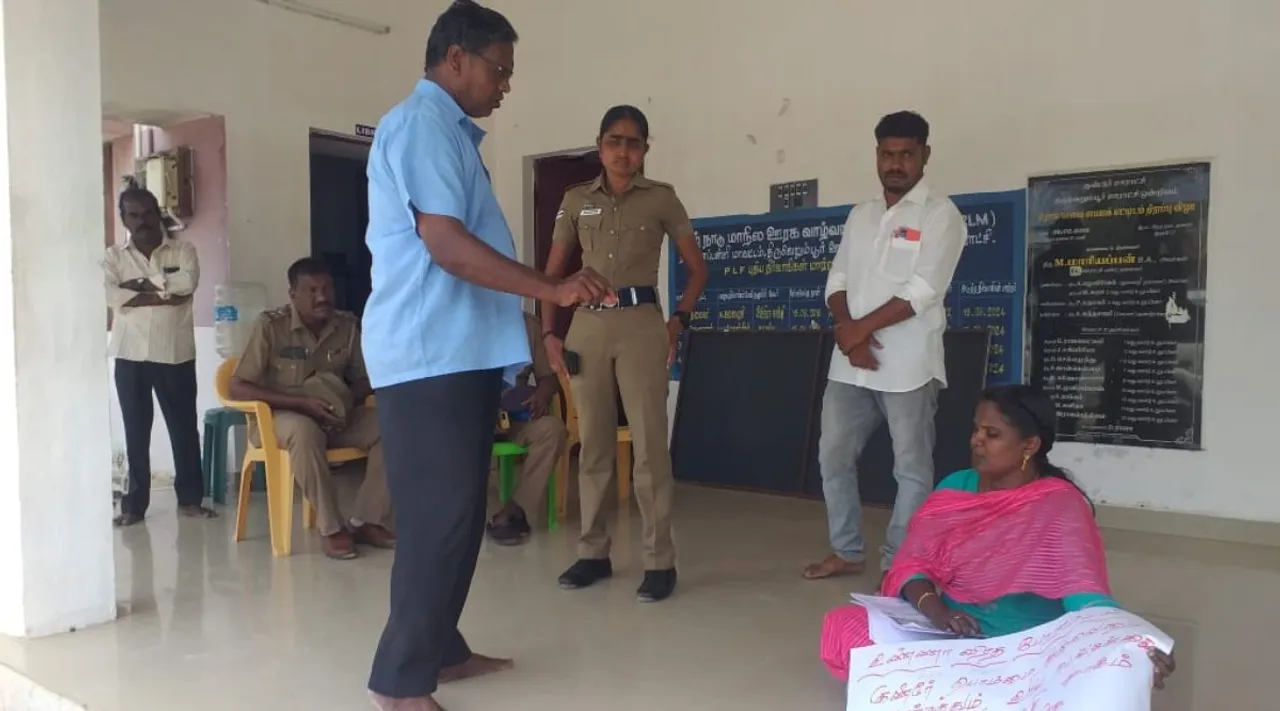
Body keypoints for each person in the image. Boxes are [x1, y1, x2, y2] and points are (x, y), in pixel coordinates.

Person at [360, 3, 611, 710]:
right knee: (437, 518)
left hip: (458, 355)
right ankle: (398, 684)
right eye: (499, 70)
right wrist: (550, 286)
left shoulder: (450, 135)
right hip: (426, 353)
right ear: (457, 59)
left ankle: (442, 648)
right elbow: (444, 243)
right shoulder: (419, 125)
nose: (505, 86)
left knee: (462, 513)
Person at [817, 385, 1177, 691]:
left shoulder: (1058, 504)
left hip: (1030, 646)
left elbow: (1086, 594)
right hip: (955, 633)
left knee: (1104, 676)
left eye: (992, 435)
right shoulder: (955, 487)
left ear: (1029, 445)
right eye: (976, 430)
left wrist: (1129, 640)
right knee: (844, 628)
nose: (977, 442)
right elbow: (912, 565)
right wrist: (938, 611)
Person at [542, 105, 709, 603]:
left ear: (645, 150)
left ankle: (660, 560)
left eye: (633, 143)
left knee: (649, 448)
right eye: (614, 141)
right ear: (600, 145)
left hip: (641, 327)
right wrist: (550, 334)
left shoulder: (661, 199)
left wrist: (678, 319)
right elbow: (551, 274)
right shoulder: (575, 200)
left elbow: (697, 269)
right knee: (591, 446)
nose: (623, 152)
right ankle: (592, 552)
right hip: (587, 328)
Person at [804, 111, 967, 580]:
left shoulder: (940, 214)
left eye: (906, 154)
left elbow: (923, 289)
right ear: (877, 156)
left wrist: (858, 330)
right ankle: (847, 550)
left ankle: (900, 564)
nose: (896, 164)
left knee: (911, 469)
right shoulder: (862, 215)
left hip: (908, 364)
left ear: (925, 156)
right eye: (887, 154)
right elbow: (837, 279)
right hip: (850, 365)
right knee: (832, 456)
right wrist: (847, 329)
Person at [228, 257, 394, 560]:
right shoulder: (270, 326)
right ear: (293, 295)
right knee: (304, 431)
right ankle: (332, 529)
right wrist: (302, 403)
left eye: (327, 288)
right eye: (312, 290)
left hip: (334, 417)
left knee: (393, 426)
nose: (322, 297)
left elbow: (365, 379)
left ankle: (366, 520)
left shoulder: (347, 326)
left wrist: (339, 403)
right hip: (279, 420)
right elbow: (237, 386)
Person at [105, 180, 215, 526]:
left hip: (175, 354)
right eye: (133, 215)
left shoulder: (184, 252)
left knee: (183, 428)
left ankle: (190, 501)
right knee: (135, 431)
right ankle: (134, 508)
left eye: (148, 212)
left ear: (158, 213)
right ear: (124, 219)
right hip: (129, 354)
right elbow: (110, 295)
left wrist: (136, 288)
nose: (142, 220)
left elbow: (187, 285)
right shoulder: (114, 257)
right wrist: (162, 293)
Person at [485, 311, 570, 545]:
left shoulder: (528, 325)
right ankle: (477, 513)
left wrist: (542, 395)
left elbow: (549, 377)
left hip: (515, 413)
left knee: (553, 429)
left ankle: (514, 510)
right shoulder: (463, 319)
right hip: (473, 413)